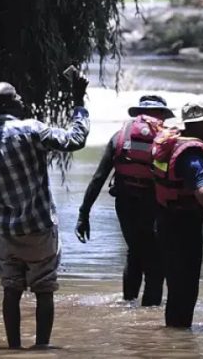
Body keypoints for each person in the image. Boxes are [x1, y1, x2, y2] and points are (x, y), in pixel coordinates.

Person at [0, 76, 90, 349]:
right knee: (44, 289)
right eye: (17, 96)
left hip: (6, 232)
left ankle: (14, 349)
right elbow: (75, 140)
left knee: (11, 288)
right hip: (40, 228)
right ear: (7, 103)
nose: (22, 99)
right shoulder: (31, 130)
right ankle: (42, 349)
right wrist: (78, 100)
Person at [75, 95, 175, 306]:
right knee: (155, 265)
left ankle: (128, 305)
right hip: (153, 205)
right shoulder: (167, 141)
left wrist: (84, 213)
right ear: (161, 115)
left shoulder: (119, 137)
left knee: (135, 251)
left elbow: (99, 178)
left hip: (125, 204)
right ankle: (147, 320)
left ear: (139, 114)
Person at [153, 97, 203, 328]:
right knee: (185, 290)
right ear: (200, 123)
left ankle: (172, 339)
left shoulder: (175, 142)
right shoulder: (193, 155)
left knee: (176, 289)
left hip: (167, 222)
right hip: (183, 228)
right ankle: (180, 342)